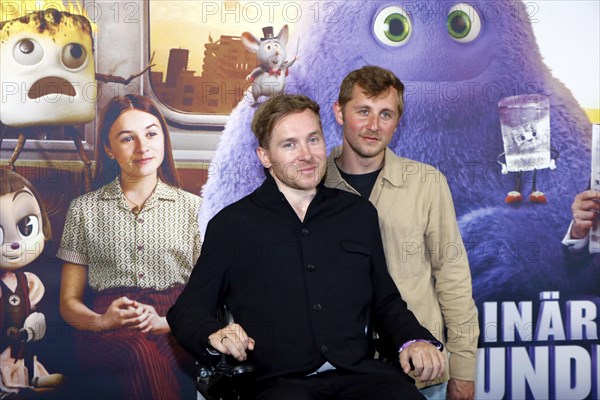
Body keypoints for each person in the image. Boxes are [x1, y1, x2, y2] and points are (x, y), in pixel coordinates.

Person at [167, 94, 446, 400]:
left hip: (361, 376)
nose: (307, 155)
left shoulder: (358, 214)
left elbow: (385, 301)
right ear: (265, 156)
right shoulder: (232, 225)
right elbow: (187, 310)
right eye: (290, 144)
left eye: (313, 140)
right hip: (278, 384)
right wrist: (213, 333)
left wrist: (413, 339)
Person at [324, 66, 479, 400]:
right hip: (334, 377)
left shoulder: (426, 183)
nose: (373, 126)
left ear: (398, 121)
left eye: (386, 114)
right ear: (339, 111)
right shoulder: (311, 185)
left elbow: (453, 278)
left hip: (421, 375)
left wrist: (464, 370)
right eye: (363, 111)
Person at [56, 94, 201, 400]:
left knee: (167, 354)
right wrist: (102, 321)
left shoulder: (194, 209)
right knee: (137, 351)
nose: (142, 147)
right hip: (107, 322)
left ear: (163, 137)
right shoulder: (83, 210)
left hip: (175, 321)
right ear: (109, 149)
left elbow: (207, 294)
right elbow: (68, 302)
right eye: (127, 139)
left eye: (151, 133)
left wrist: (166, 322)